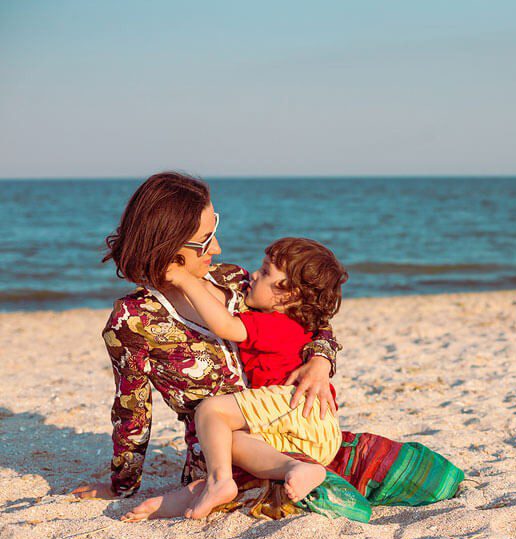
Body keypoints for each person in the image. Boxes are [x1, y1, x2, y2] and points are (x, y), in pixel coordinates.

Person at [72, 172, 464, 520]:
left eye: (216, 229)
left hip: (288, 423)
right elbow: (132, 411)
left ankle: (270, 481)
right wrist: (122, 485)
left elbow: (304, 318)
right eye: (206, 239)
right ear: (172, 245)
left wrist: (321, 360)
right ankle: (223, 488)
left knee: (415, 472)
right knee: (314, 488)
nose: (218, 248)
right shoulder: (132, 322)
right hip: (226, 450)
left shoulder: (234, 281)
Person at [149, 237, 353, 520]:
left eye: (266, 272)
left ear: (288, 296)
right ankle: (290, 469)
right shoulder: (297, 322)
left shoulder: (278, 324)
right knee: (226, 440)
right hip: (303, 431)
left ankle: (220, 482)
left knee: (210, 411)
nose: (253, 275)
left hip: (298, 406)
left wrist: (185, 280)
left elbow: (224, 325)